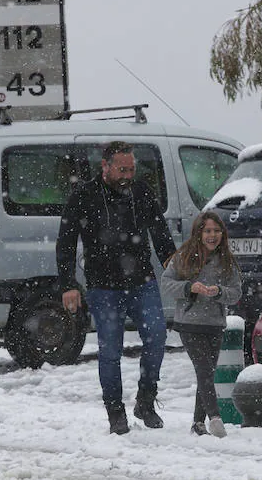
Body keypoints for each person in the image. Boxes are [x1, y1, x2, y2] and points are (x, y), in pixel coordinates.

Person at [56, 141, 177, 435]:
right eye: (122, 169)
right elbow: (66, 243)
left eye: (132, 169)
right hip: (103, 287)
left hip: (142, 282)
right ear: (105, 167)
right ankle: (115, 411)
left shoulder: (141, 192)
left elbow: (160, 233)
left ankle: (145, 400)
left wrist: (175, 264)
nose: (127, 175)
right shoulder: (83, 196)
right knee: (111, 350)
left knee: (157, 338)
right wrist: (69, 285)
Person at [160, 211, 242, 438]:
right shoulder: (183, 257)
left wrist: (219, 292)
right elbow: (166, 284)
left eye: (216, 231)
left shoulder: (227, 261)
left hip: (214, 324)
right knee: (204, 370)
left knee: (206, 373)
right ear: (199, 233)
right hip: (189, 323)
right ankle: (215, 418)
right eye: (207, 231)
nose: (212, 235)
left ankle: (197, 423)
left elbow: (235, 293)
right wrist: (188, 288)